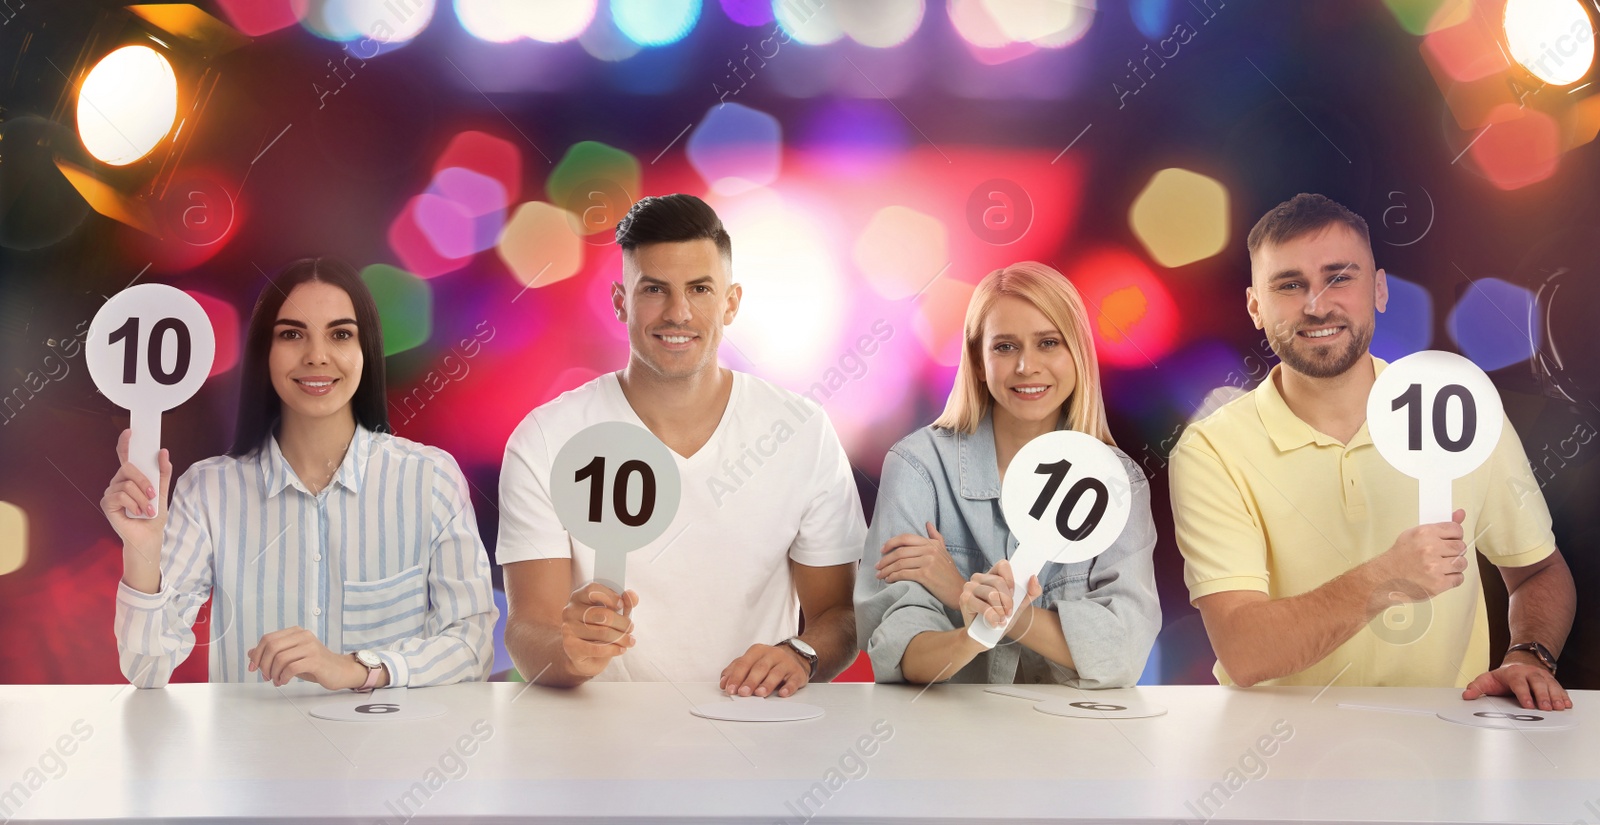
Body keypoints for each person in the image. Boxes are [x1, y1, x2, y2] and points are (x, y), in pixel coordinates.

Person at [1170, 193, 1576, 711]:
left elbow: (1538, 570)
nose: (1317, 305)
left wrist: (1529, 656)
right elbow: (1245, 651)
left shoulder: (1458, 408)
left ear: (1379, 290)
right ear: (1255, 307)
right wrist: (1386, 577)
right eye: (1290, 285)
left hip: (1445, 742)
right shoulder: (1212, 449)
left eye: (1340, 277)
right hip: (1274, 763)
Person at [497, 194, 863, 696]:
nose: (678, 312)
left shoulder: (802, 431)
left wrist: (801, 654)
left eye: (699, 288)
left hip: (753, 725)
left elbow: (838, 613)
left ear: (730, 302)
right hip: (594, 738)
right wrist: (571, 653)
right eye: (653, 289)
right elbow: (526, 628)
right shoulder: (545, 439)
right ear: (620, 301)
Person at [102, 258, 498, 690]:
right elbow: (145, 669)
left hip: (391, 753)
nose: (317, 356)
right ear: (264, 353)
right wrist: (142, 551)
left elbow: (471, 647)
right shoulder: (208, 491)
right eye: (292, 334)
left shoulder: (430, 480)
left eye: (341, 334)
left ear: (366, 351)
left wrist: (357, 669)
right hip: (251, 754)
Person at [856, 262, 1160, 685]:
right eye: (1004, 347)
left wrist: (987, 603)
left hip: (1071, 739)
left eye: (1049, 343)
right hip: (943, 738)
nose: (1026, 367)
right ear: (978, 361)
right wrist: (976, 632)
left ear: (1077, 353)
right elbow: (896, 654)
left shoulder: (1116, 482)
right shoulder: (918, 467)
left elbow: (1123, 654)